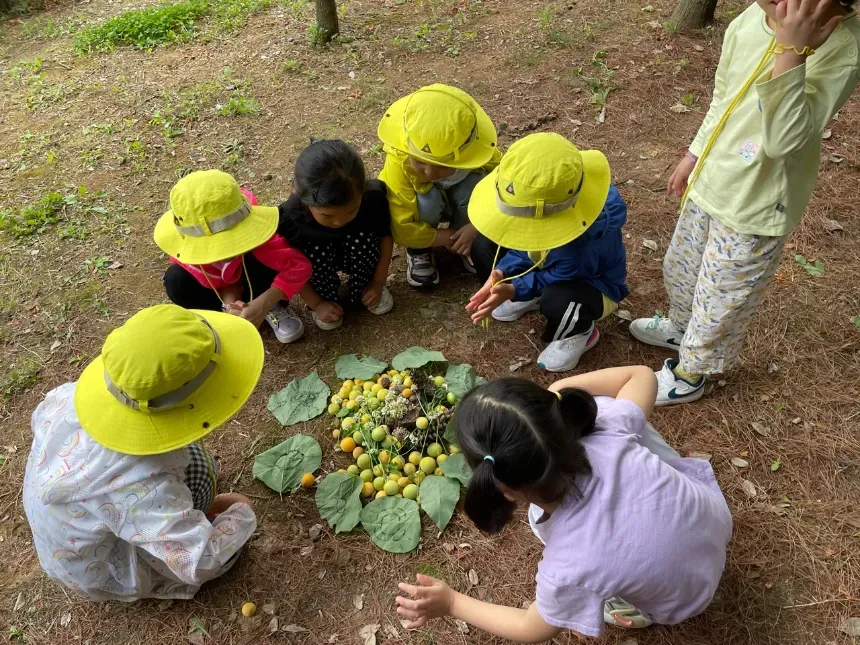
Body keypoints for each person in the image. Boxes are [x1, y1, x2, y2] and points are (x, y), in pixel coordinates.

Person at [629, 0, 860, 405]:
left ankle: (692, 373)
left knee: (721, 297)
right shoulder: (751, 18)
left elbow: (783, 141)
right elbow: (724, 98)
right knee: (682, 267)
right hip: (714, 179)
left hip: (757, 202)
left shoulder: (843, 49)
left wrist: (792, 51)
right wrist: (695, 153)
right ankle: (680, 328)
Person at [395, 366, 732, 641]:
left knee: (543, 525)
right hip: (714, 525)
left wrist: (453, 603)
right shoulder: (608, 431)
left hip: (685, 600)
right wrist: (559, 387)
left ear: (503, 487)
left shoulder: (571, 565)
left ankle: (636, 610)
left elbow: (530, 628)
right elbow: (642, 375)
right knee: (614, 412)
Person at [22, 304, 263, 601]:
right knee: (204, 485)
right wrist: (241, 511)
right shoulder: (143, 484)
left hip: (69, 538)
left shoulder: (67, 397)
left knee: (197, 465)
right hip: (100, 567)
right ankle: (148, 553)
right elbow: (200, 561)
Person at [465, 133, 628, 372]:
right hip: (551, 264)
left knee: (556, 299)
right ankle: (529, 296)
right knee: (484, 246)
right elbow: (524, 245)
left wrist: (514, 289)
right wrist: (502, 271)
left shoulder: (581, 244)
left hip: (591, 285)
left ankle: (581, 331)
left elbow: (555, 276)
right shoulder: (545, 214)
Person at [156, 169, 312, 343]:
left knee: (257, 257)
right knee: (176, 280)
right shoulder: (186, 252)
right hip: (224, 295)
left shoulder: (258, 239)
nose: (223, 254)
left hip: (257, 285)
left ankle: (272, 307)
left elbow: (299, 266)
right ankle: (224, 319)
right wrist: (229, 304)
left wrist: (265, 302)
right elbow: (223, 279)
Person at [377, 83, 502, 287]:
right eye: (420, 162)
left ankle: (468, 243)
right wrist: (449, 237)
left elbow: (506, 192)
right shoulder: (399, 161)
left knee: (476, 185)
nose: (430, 172)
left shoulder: (480, 154)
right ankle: (419, 250)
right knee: (427, 201)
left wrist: (477, 227)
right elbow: (401, 227)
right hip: (427, 209)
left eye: (442, 166)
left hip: (464, 213)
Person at [278, 140, 394, 330]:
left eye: (351, 210)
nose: (339, 221)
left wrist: (378, 282)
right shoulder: (292, 218)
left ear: (362, 191)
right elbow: (290, 265)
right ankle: (324, 296)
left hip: (357, 250)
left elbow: (385, 238)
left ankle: (364, 286)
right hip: (319, 257)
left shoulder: (373, 199)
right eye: (327, 215)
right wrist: (316, 303)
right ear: (304, 199)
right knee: (308, 255)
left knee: (364, 238)